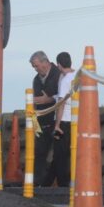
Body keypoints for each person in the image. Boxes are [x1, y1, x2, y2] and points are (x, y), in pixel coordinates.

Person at [29, 51, 60, 186]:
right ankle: (39, 183)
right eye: (34, 67)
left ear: (45, 62)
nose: (36, 69)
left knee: (60, 152)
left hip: (57, 119)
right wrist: (46, 98)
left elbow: (53, 97)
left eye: (36, 66)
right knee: (39, 153)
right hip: (40, 121)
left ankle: (51, 182)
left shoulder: (57, 74)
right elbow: (39, 100)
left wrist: (47, 98)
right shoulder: (36, 79)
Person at [51, 52, 76, 188]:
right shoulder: (79, 76)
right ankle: (46, 182)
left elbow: (61, 104)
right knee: (71, 153)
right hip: (77, 120)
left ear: (59, 65)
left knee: (60, 156)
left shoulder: (66, 80)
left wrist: (57, 124)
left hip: (65, 121)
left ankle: (63, 186)